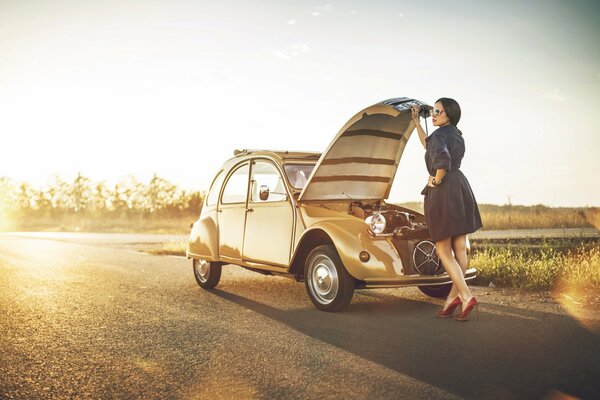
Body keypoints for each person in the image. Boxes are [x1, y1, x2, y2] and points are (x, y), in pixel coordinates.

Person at [411, 98, 483, 321]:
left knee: (443, 251)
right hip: (460, 188)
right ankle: (453, 299)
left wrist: (435, 180)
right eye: (432, 111)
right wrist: (416, 121)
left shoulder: (440, 136)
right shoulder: (455, 134)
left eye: (437, 111)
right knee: (460, 249)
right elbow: (428, 144)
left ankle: (466, 296)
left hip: (444, 191)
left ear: (448, 114)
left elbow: (441, 159)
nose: (433, 114)